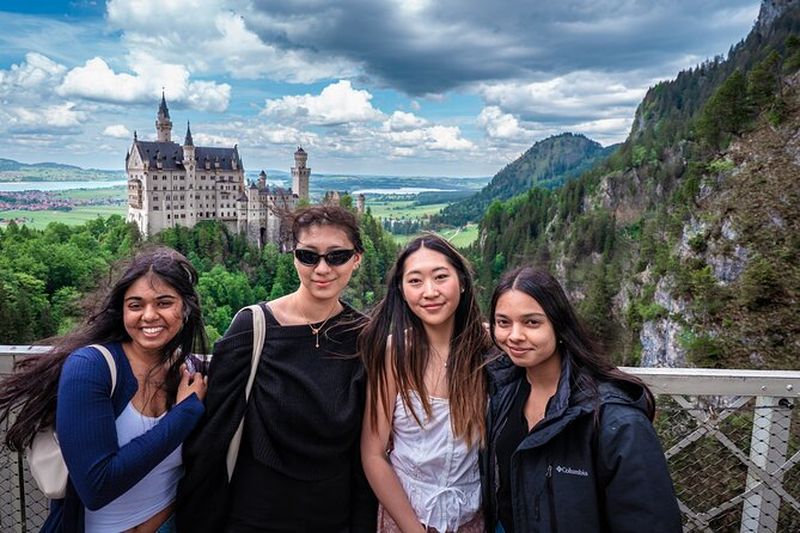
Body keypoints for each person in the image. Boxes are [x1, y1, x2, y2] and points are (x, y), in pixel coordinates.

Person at [177, 205, 377, 532]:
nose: (322, 268)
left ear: (357, 258)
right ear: (293, 255)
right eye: (309, 256)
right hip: (254, 518)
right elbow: (213, 435)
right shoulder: (253, 327)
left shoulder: (366, 338)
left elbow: (366, 452)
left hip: (333, 520)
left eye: (337, 256)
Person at [0, 246, 209, 533]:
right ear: (122, 311)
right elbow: (97, 487)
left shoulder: (190, 372)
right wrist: (184, 415)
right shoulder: (92, 367)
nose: (149, 315)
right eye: (135, 305)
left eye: (164, 303)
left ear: (185, 309)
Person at [482, 267, 682, 533]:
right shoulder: (503, 391)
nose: (515, 335)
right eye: (503, 322)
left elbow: (649, 521)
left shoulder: (614, 419)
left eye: (532, 322)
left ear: (559, 325)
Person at [360, 234, 491, 533]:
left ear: (462, 282)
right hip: (406, 516)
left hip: (472, 517)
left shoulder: (489, 349)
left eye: (441, 277)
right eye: (415, 281)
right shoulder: (394, 354)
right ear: (402, 291)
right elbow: (373, 453)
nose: (429, 291)